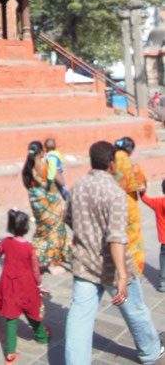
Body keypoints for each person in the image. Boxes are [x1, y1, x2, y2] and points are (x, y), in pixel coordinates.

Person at [65, 141, 163, 365]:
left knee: (79, 317)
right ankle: (149, 352)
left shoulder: (77, 186)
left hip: (84, 262)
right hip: (112, 265)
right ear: (111, 164)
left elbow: (69, 218)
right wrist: (122, 274)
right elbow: (116, 237)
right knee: (135, 310)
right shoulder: (114, 193)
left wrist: (88, 236)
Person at [0, 209, 50, 364]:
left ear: (11, 226)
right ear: (26, 228)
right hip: (27, 284)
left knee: (11, 317)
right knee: (32, 310)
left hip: (9, 283)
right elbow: (35, 269)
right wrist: (40, 285)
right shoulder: (29, 248)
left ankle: (10, 352)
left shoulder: (6, 242)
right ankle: (41, 336)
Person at [21, 141, 71, 271]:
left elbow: (27, 185)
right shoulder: (47, 166)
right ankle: (53, 263)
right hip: (51, 205)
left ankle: (35, 257)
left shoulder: (27, 168)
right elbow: (62, 181)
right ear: (42, 152)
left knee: (42, 230)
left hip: (37, 204)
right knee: (54, 231)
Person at [114, 136, 147, 275]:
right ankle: (133, 268)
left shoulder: (109, 160)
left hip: (112, 202)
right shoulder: (130, 163)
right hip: (128, 204)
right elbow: (141, 187)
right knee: (132, 237)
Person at [139, 178, 165, 292]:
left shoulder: (158, 202)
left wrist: (141, 191)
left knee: (164, 259)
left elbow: (145, 199)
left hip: (164, 240)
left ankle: (163, 282)